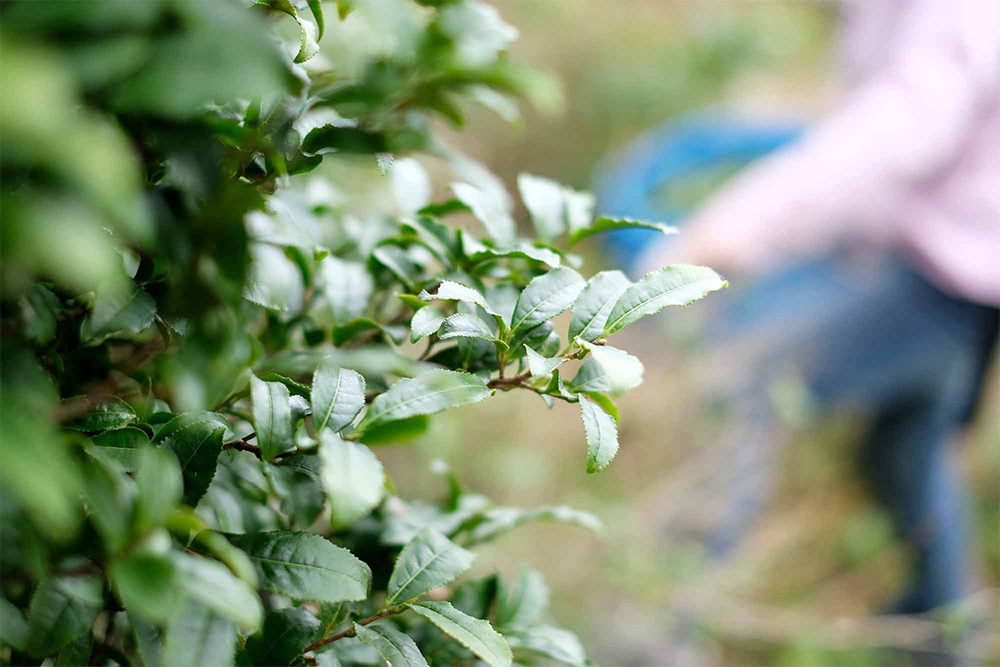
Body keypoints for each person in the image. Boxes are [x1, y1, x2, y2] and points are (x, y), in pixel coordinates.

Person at [632, 0, 1000, 617]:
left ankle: (658, 626)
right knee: (907, 444)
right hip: (958, 268)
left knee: (738, 379)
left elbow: (901, 128)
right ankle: (943, 637)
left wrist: (730, 230)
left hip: (941, 273)